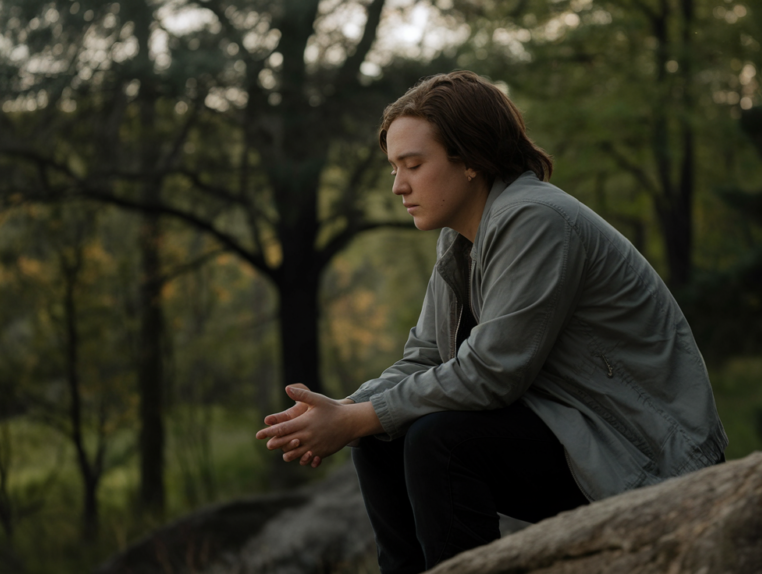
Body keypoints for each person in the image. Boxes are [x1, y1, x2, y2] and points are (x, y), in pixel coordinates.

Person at [256, 70, 727, 574]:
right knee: (378, 439)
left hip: (647, 457)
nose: (398, 186)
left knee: (438, 440)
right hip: (575, 437)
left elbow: (491, 373)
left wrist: (358, 416)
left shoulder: (536, 220)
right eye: (394, 168)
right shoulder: (462, 240)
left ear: (471, 161)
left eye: (413, 164)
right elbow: (426, 357)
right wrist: (343, 412)